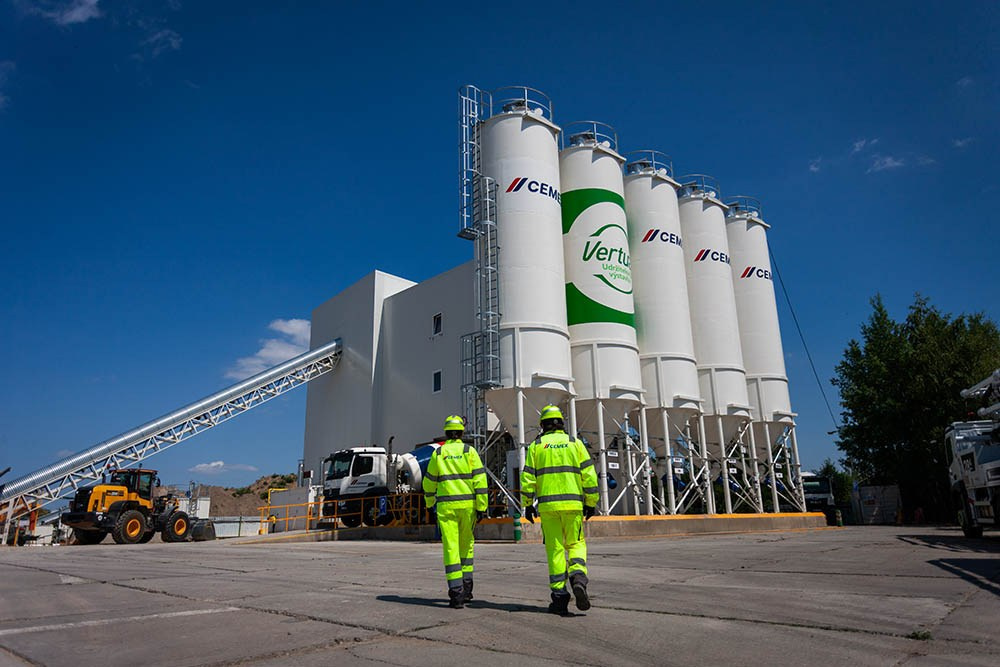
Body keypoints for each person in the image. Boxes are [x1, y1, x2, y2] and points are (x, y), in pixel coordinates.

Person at [520, 405, 599, 615]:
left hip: (548, 508)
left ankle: (559, 598)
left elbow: (527, 479)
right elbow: (589, 475)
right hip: (573, 506)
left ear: (543, 425)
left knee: (554, 549)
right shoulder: (575, 443)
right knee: (575, 543)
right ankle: (578, 577)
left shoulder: (536, 446)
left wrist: (527, 504)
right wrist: (591, 502)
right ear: (561, 424)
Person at [422, 415, 488, 608]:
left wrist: (429, 503)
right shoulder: (469, 451)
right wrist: (482, 506)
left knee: (451, 547)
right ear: (461, 432)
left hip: (446, 508)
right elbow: (480, 480)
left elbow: (429, 481)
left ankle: (456, 594)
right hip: (467, 508)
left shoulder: (439, 453)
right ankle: (467, 590)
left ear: (446, 432)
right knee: (466, 545)